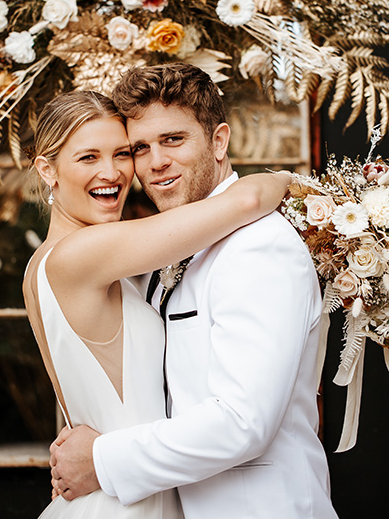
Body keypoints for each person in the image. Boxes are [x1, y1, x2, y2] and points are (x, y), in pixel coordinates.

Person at [49, 63, 338, 519]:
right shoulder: (163, 250)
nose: (155, 162)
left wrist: (102, 460)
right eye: (140, 148)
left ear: (218, 141)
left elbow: (243, 424)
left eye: (173, 140)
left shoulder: (258, 245)